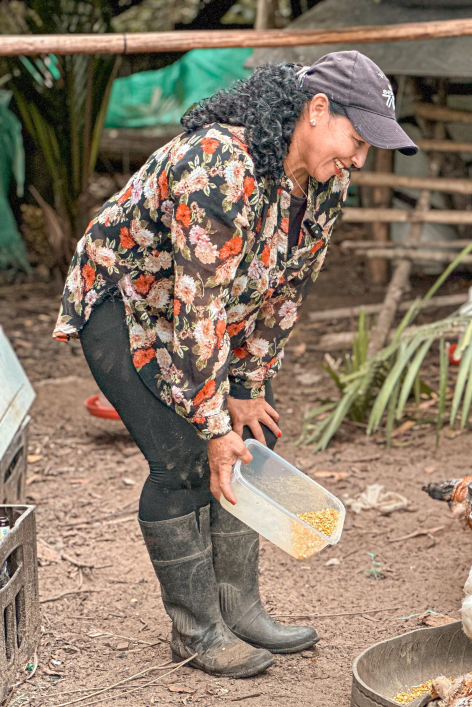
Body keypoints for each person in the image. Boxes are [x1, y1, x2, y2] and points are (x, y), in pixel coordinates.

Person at [52, 51, 417, 678]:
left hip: (205, 317)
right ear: (317, 110)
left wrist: (245, 391)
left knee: (254, 435)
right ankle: (196, 635)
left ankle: (238, 609)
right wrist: (214, 423)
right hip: (126, 304)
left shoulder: (325, 184)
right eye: (356, 140)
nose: (359, 158)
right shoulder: (220, 165)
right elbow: (200, 304)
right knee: (182, 458)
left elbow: (285, 291)